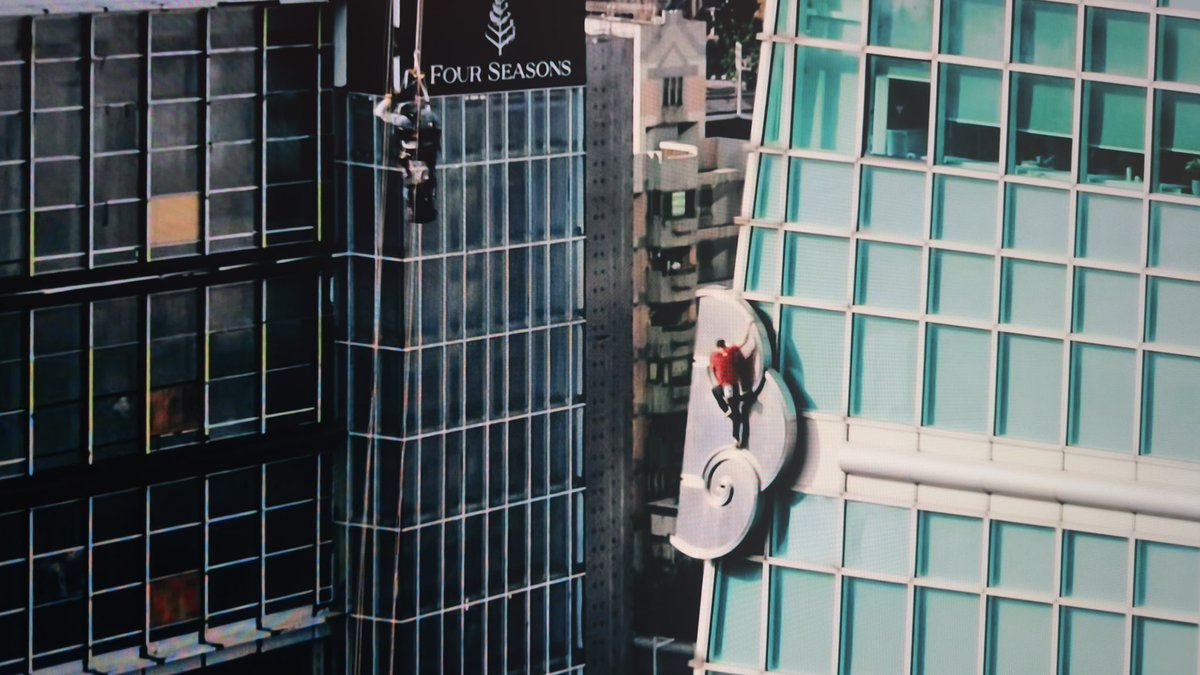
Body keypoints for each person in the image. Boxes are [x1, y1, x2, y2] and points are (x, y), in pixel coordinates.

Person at [373, 91, 441, 223]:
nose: (408, 211)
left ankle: (391, 98)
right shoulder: (423, 190)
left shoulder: (416, 191)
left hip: (415, 145)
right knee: (380, 113)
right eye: (410, 212)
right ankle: (392, 98)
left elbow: (408, 169)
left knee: (381, 113)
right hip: (416, 144)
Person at [709, 323, 756, 448]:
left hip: (726, 385)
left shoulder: (715, 356)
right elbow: (743, 342)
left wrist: (719, 381)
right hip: (730, 385)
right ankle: (734, 408)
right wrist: (748, 329)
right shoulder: (729, 352)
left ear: (717, 346)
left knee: (732, 409)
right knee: (733, 407)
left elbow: (713, 371)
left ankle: (731, 418)